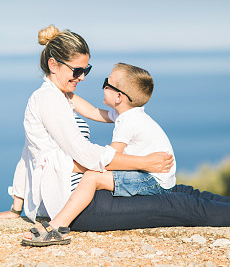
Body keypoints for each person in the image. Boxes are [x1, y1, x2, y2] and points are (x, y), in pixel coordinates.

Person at [0, 25, 230, 247]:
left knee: (187, 192)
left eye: (86, 71)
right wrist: (144, 161)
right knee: (179, 206)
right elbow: (84, 155)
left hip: (87, 194)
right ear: (54, 64)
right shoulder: (47, 100)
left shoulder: (60, 99)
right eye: (77, 71)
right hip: (78, 207)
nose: (83, 78)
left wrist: (17, 206)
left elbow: (28, 153)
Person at [20, 62, 177, 246]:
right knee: (94, 174)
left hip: (152, 180)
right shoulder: (128, 114)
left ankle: (57, 226)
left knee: (93, 177)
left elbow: (111, 160)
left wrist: (70, 166)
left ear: (118, 96)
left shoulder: (127, 122)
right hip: (157, 177)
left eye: (106, 84)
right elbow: (92, 112)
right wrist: (63, 92)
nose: (102, 87)